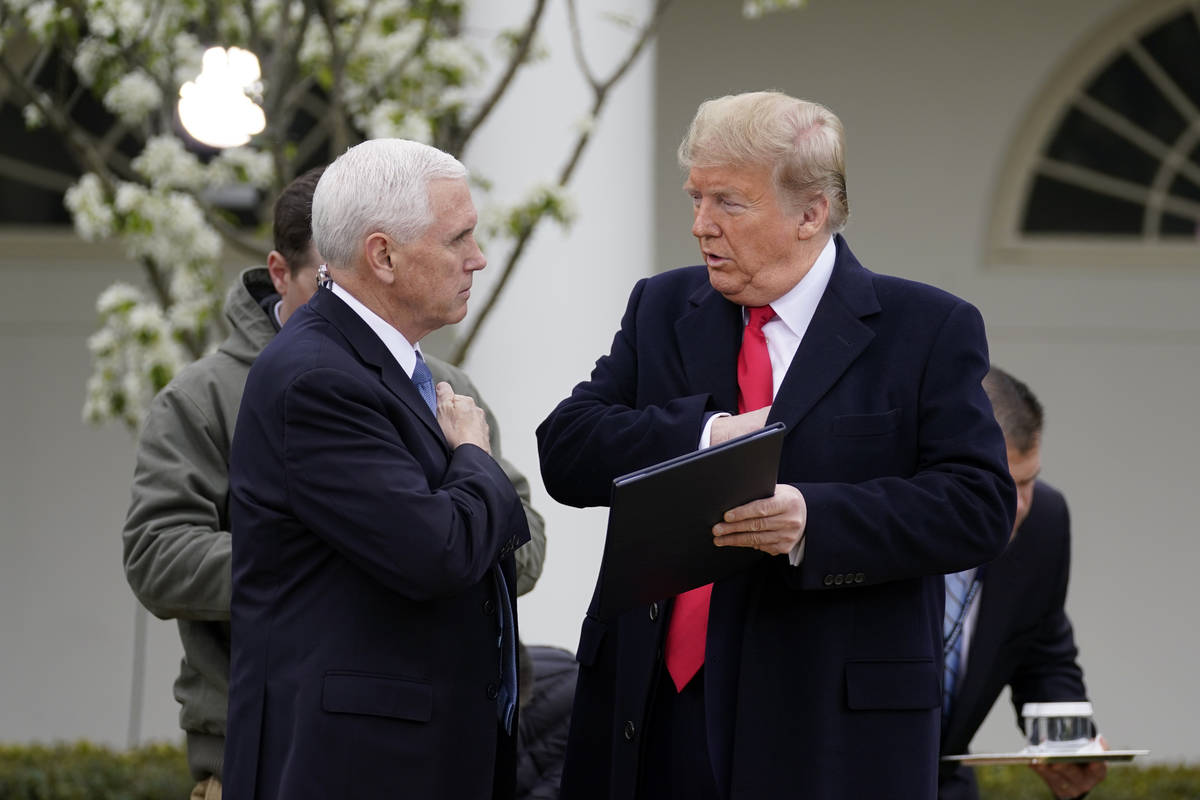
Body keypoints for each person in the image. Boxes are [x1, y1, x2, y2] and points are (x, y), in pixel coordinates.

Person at [536, 91, 1016, 799]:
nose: (701, 226)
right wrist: (702, 436)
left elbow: (978, 507)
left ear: (811, 213)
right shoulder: (662, 308)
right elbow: (567, 450)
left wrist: (812, 522)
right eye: (695, 198)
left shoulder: (925, 328)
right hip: (651, 719)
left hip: (826, 730)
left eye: (729, 202)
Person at [123, 162, 544, 799]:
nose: (479, 259)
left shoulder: (422, 378)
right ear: (383, 256)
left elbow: (511, 541)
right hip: (357, 763)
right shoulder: (313, 380)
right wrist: (473, 461)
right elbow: (440, 550)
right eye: (458, 238)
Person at [939, 367, 1106, 800]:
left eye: (1028, 481)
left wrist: (1069, 748)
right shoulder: (883, 515)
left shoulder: (1046, 521)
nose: (1018, 507)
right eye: (1001, 485)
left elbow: (1043, 654)